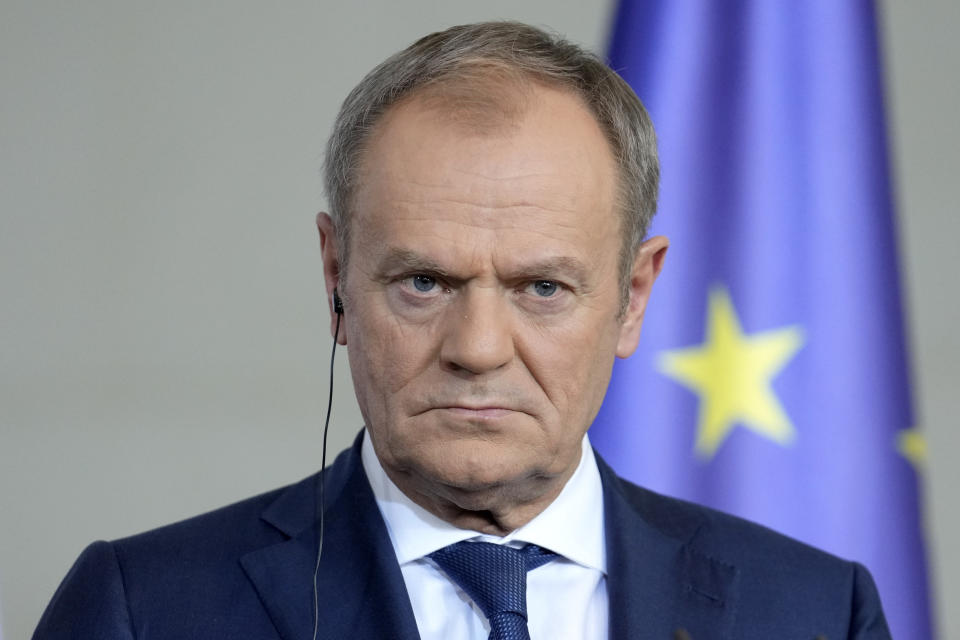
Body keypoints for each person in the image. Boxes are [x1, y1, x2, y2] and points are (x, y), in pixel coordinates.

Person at [34, 21, 891, 640]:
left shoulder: (813, 611)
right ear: (336, 278)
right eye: (424, 281)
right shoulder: (144, 611)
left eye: (543, 287)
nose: (477, 348)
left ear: (633, 298)